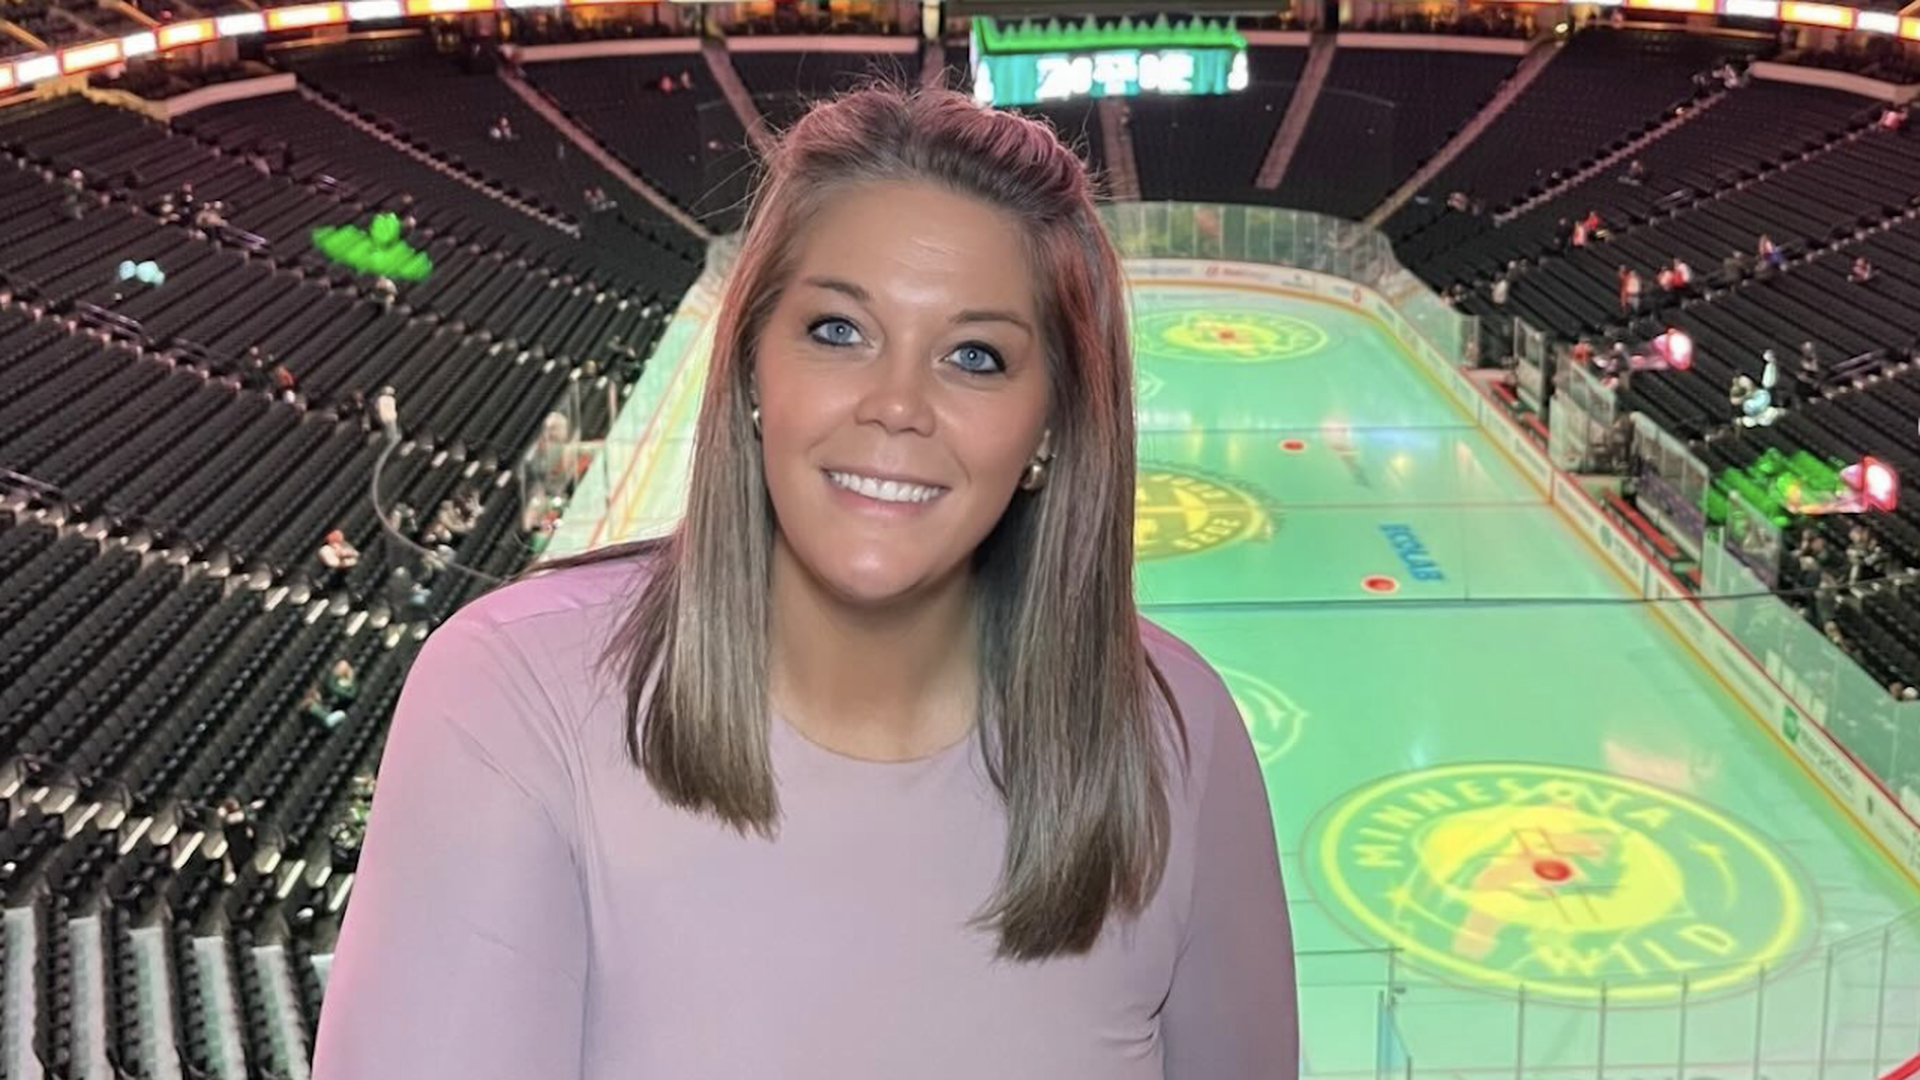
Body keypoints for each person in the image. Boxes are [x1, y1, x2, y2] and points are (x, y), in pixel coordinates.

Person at [311, 85, 1298, 1080]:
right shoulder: (512, 704)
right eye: (838, 332)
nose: (897, 405)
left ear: (1051, 429)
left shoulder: (1177, 735)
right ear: (748, 373)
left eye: (974, 355)